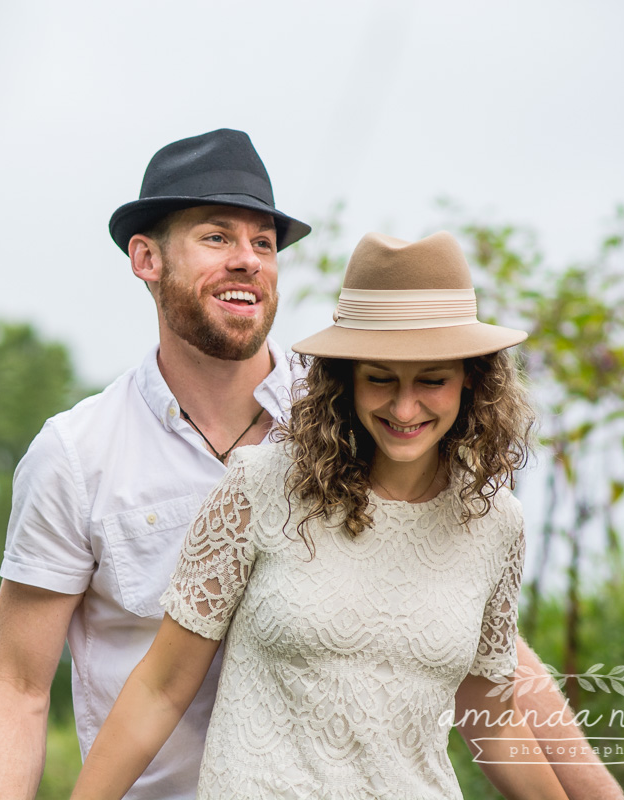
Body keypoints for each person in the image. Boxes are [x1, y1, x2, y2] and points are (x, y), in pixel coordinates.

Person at [0, 130, 624, 800]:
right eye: (217, 237)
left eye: (264, 243)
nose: (248, 260)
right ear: (146, 258)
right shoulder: (79, 456)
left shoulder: (363, 422)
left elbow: (478, 653)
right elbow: (18, 688)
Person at [71, 231, 568, 799]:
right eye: (380, 377)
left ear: (471, 380)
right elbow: (160, 690)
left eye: (432, 380)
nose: (404, 408)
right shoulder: (261, 486)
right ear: (346, 377)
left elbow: (493, 719)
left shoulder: (496, 523)